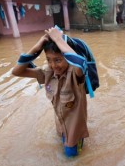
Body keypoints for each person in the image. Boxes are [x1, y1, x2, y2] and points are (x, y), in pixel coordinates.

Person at [12, 27, 89, 157]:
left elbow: (80, 62)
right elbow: (16, 71)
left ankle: (79, 139)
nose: (53, 65)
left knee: (71, 156)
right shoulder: (48, 72)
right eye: (48, 59)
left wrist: (58, 39)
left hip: (74, 129)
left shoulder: (76, 74)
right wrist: (37, 47)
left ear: (67, 58)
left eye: (58, 59)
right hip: (60, 125)